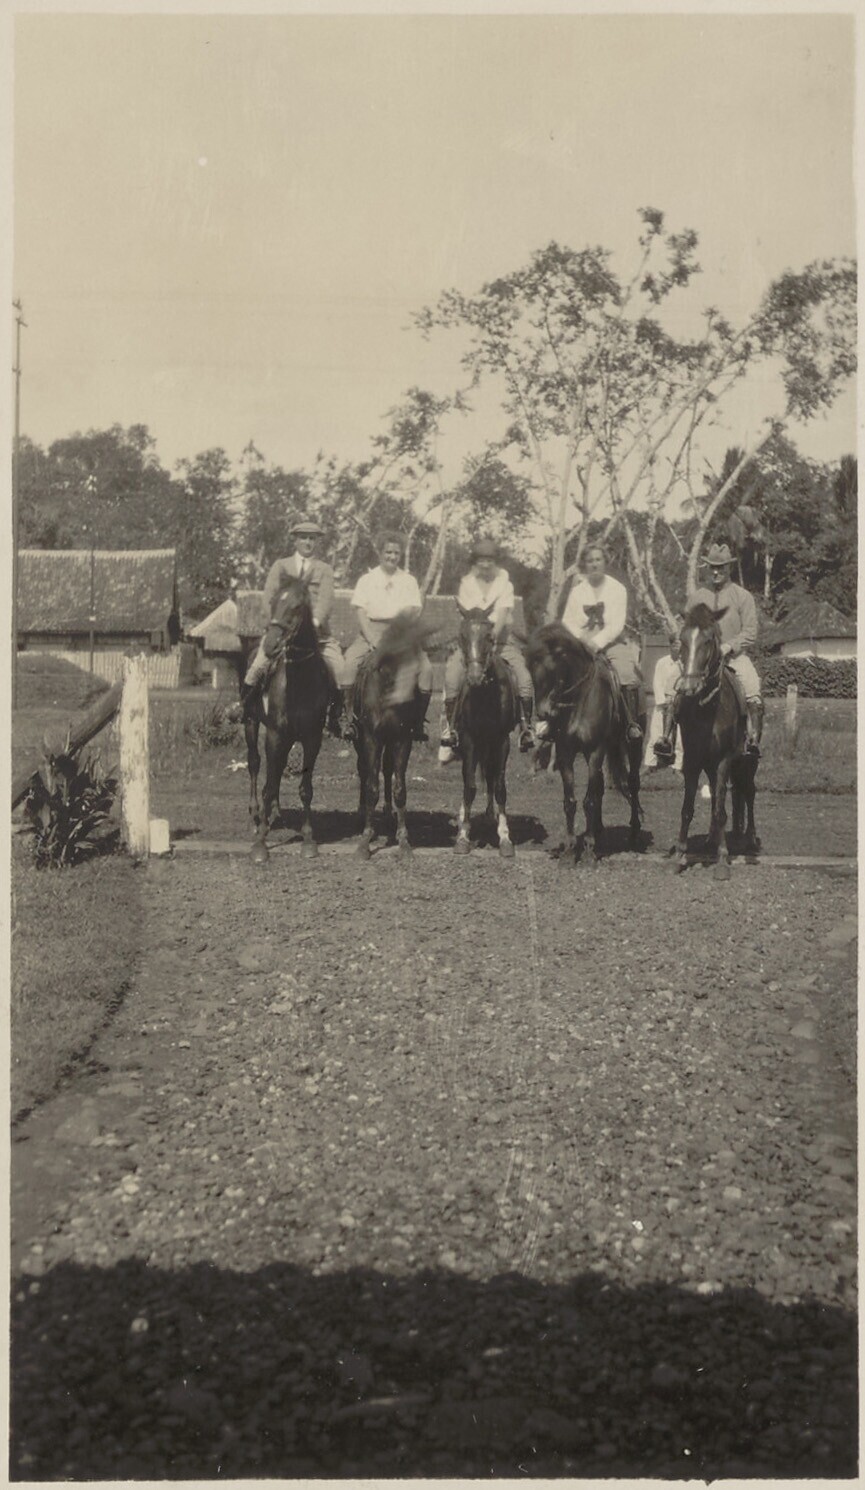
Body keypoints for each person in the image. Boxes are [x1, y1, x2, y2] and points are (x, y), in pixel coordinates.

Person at [228, 518, 344, 731]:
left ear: (317, 542)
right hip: (283, 633)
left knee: (340, 669)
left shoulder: (324, 569)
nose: (308, 542)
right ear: (295, 541)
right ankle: (244, 706)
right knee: (257, 666)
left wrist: (314, 623)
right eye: (303, 538)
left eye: (312, 538)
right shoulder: (281, 566)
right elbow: (269, 598)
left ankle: (335, 717)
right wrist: (275, 625)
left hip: (317, 636)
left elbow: (326, 601)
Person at [655, 542, 763, 760]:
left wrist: (728, 646)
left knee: (752, 688)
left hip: (733, 658)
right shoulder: (697, 597)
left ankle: (751, 741)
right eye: (712, 567)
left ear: (729, 567)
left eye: (720, 567)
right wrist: (681, 646)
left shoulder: (742, 597)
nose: (715, 571)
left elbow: (750, 631)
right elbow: (686, 629)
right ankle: (666, 739)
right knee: (671, 685)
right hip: (699, 660)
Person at [439, 538, 535, 763]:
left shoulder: (505, 584)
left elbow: (502, 614)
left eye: (489, 560)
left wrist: (493, 635)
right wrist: (476, 642)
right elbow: (467, 616)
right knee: (452, 676)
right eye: (481, 560)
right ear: (475, 562)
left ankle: (525, 728)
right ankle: (450, 730)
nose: (485, 565)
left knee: (524, 678)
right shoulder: (467, 584)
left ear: (495, 562)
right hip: (473, 643)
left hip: (500, 641)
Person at [340, 531, 433, 742]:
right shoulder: (367, 580)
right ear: (380, 553)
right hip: (372, 630)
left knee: (426, 669)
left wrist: (401, 636)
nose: (392, 556)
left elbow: (413, 610)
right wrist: (372, 638)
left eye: (396, 553)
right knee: (349, 664)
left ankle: (418, 722)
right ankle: (348, 719)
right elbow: (361, 612)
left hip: (401, 633)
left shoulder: (408, 580)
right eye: (388, 552)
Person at [554, 543, 645, 741]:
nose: (594, 564)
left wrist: (596, 642)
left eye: (598, 560)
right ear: (584, 565)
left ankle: (631, 724)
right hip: (581, 643)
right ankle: (552, 724)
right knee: (557, 668)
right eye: (590, 561)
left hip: (611, 642)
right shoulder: (577, 591)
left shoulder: (617, 589)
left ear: (605, 562)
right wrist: (582, 639)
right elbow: (567, 621)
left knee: (626, 672)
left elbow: (617, 624)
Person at [645, 628, 683, 772]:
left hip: (679, 703)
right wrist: (662, 700)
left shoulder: (685, 664)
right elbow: (657, 682)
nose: (678, 648)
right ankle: (650, 764)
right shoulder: (662, 662)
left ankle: (677, 765)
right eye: (676, 644)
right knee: (656, 733)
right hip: (664, 703)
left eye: (680, 645)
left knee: (680, 738)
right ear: (671, 646)